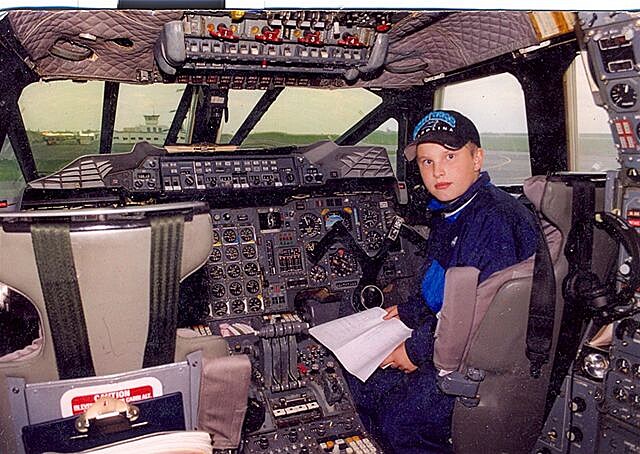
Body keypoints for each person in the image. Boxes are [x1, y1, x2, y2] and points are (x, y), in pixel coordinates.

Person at [345, 110, 538, 453]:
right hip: (453, 338)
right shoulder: (455, 211)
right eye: (427, 161)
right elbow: (443, 283)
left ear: (477, 158)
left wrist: (414, 350)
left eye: (450, 157)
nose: (438, 171)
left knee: (396, 419)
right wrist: (410, 311)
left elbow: (481, 312)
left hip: (476, 359)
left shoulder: (494, 220)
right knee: (358, 378)